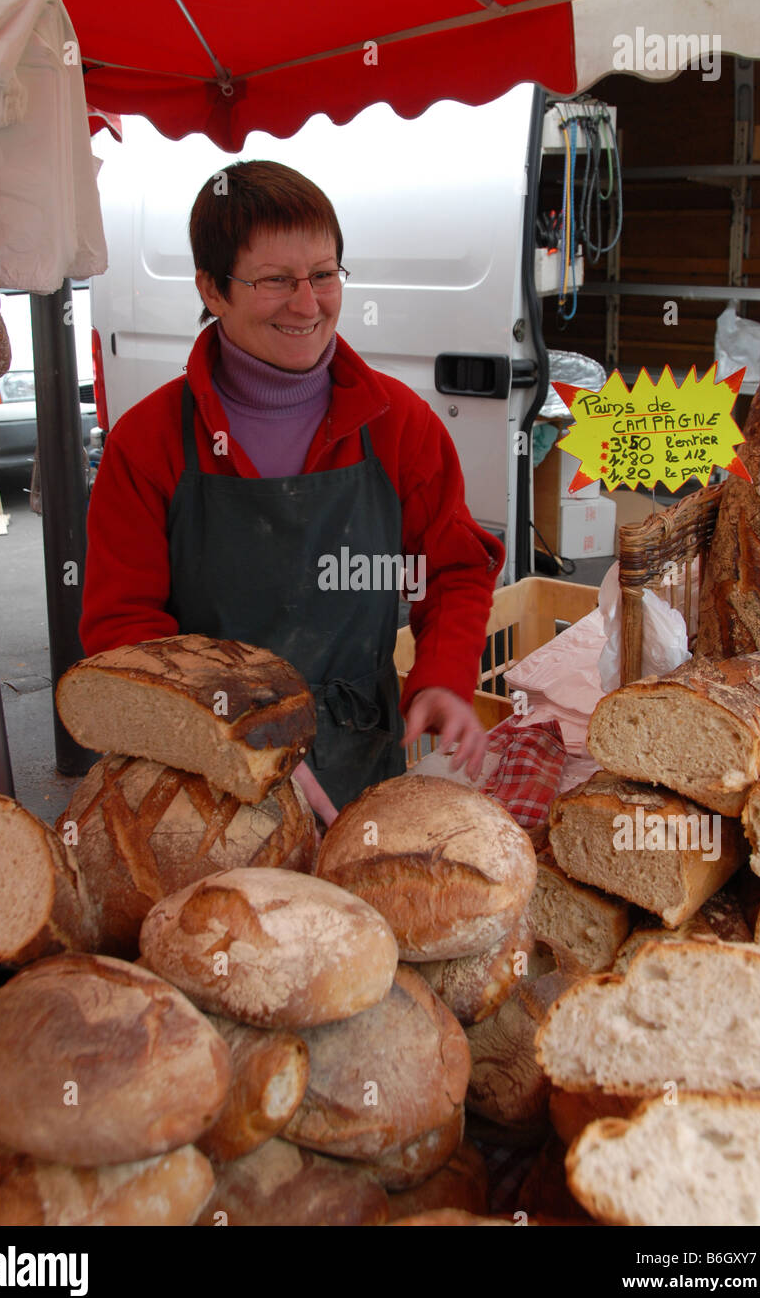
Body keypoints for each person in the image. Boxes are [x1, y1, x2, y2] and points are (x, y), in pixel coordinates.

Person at [80, 161, 505, 825]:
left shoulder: (398, 426)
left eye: (324, 274)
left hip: (361, 760)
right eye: (276, 281)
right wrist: (241, 735)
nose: (308, 304)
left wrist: (446, 676)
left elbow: (452, 569)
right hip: (203, 778)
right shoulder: (148, 443)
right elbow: (123, 631)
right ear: (213, 290)